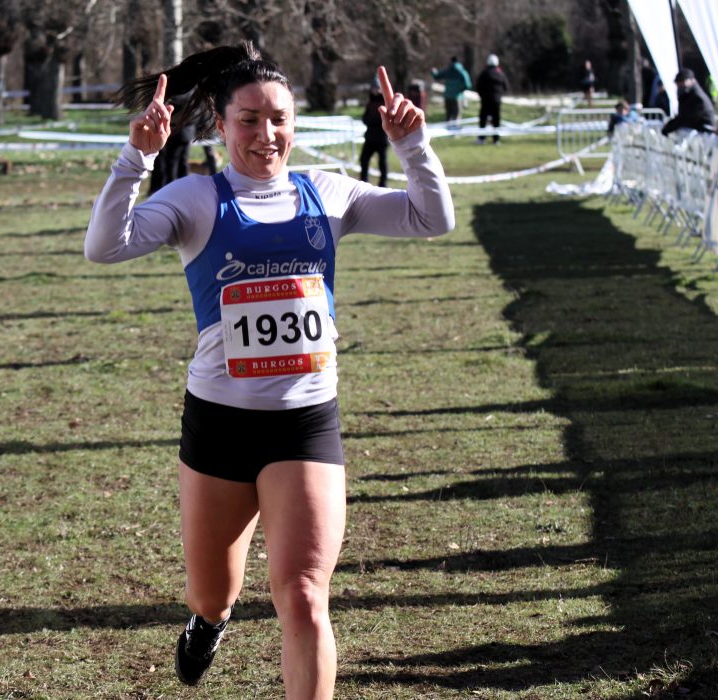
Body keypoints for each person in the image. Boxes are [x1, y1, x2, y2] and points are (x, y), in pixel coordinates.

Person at [85, 42, 454, 697]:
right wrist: (136, 157)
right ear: (221, 125)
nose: (266, 134)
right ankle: (209, 622)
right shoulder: (197, 199)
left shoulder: (328, 193)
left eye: (279, 119)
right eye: (249, 120)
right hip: (219, 424)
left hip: (305, 423)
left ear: (295, 123)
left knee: (305, 596)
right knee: (212, 592)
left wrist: (412, 145)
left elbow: (432, 218)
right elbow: (104, 246)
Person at [661, 68, 716, 136]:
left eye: (681, 82)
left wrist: (668, 128)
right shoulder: (688, 94)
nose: (679, 86)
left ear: (691, 80)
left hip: (702, 133)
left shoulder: (696, 97)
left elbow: (685, 117)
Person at [359, 81, 388, 186]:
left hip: (381, 137)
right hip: (370, 137)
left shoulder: (384, 102)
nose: (375, 90)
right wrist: (370, 121)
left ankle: (383, 183)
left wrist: (374, 121)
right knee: (364, 159)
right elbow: (365, 118)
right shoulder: (370, 102)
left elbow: (384, 119)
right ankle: (363, 182)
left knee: (382, 162)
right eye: (373, 88)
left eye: (377, 88)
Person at [475, 53, 508, 144]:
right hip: (496, 101)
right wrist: (499, 95)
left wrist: (482, 95)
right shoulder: (500, 73)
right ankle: (496, 140)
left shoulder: (484, 73)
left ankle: (481, 139)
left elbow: (478, 86)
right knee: (496, 119)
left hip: (485, 100)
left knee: (483, 119)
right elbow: (506, 86)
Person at [431, 56, 471, 122]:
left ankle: (448, 128)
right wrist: (460, 90)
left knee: (448, 117)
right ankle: (455, 128)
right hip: (457, 97)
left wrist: (433, 72)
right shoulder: (462, 72)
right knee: (456, 117)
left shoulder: (448, 71)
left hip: (447, 96)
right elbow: (468, 85)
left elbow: (437, 76)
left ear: (451, 61)